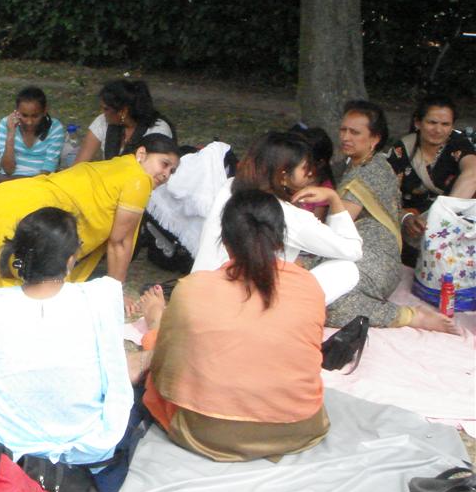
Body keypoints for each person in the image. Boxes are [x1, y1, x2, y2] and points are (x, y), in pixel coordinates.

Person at [141, 190, 329, 462]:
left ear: (225, 240)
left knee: (156, 375)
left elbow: (165, 371)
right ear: (279, 239)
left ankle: (158, 320)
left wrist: (156, 324)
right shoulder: (309, 285)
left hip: (208, 435)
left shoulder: (194, 289)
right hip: (298, 428)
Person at [0, 134, 181, 321]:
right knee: (37, 287)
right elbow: (120, 241)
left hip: (4, 198)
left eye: (172, 170)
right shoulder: (138, 180)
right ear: (141, 154)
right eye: (164, 164)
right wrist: (114, 293)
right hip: (28, 214)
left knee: (8, 272)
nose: (167, 174)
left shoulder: (114, 166)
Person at [0, 208, 133, 464]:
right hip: (88, 445)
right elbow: (115, 376)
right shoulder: (101, 297)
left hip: (7, 445)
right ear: (70, 259)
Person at [327, 100, 456, 332]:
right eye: (343, 130)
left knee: (323, 303)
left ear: (374, 138)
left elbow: (336, 230)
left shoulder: (366, 175)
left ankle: (410, 316)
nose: (346, 137)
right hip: (369, 253)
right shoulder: (374, 163)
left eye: (355, 132)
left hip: (371, 260)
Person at [193, 131, 364, 306]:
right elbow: (353, 250)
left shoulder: (230, 186)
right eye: (306, 168)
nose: (311, 174)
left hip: (199, 293)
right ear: (283, 175)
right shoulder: (289, 215)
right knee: (346, 269)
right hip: (246, 305)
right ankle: (280, 317)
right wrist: (333, 199)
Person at [387, 95, 476, 263]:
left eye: (445, 124)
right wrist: (404, 218)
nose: (438, 130)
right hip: (411, 222)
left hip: (450, 221)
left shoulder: (459, 145)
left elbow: (472, 174)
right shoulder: (402, 149)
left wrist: (441, 216)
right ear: (418, 123)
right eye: (432, 122)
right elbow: (385, 193)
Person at [73, 79, 173, 165]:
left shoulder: (158, 131)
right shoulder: (103, 122)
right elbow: (79, 165)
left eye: (106, 109)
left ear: (123, 111)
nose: (103, 113)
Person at [0, 86, 66, 176]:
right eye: (24, 116)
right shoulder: (6, 124)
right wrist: (11, 134)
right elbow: (8, 170)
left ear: (44, 111)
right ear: (16, 111)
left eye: (35, 116)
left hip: (40, 181)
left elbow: (48, 169)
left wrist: (29, 186)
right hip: (9, 179)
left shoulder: (55, 128)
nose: (29, 122)